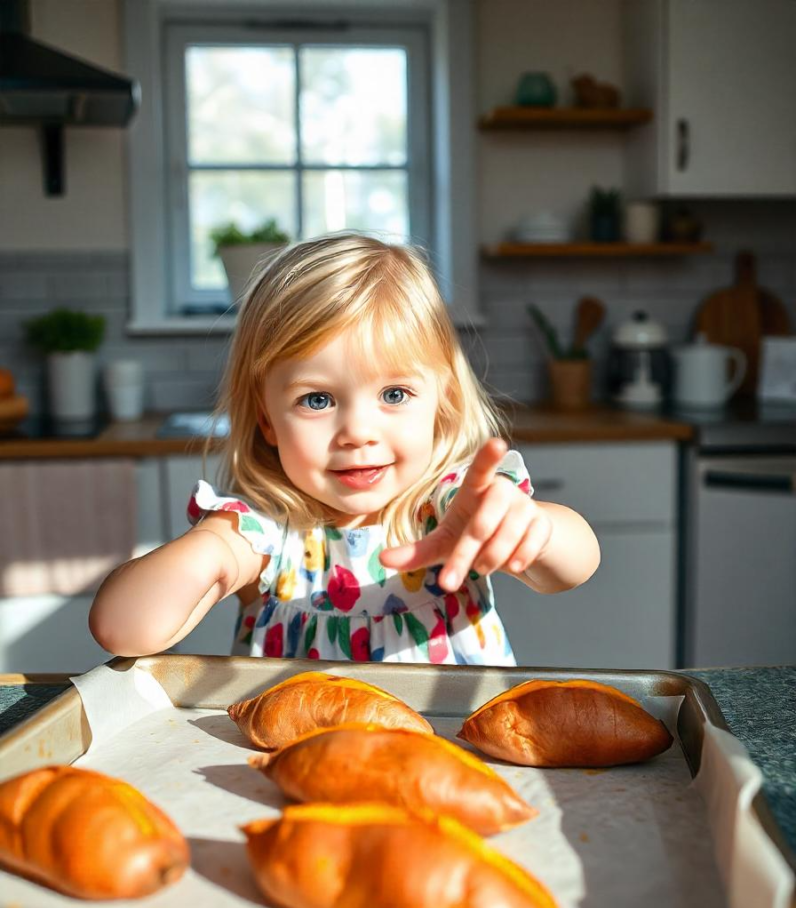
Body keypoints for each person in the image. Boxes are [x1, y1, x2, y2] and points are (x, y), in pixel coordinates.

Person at [90, 233, 600, 665]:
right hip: (296, 774)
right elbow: (120, 629)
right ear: (267, 419)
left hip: (453, 762)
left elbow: (573, 568)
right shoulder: (264, 531)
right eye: (317, 399)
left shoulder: (453, 504)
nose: (357, 432)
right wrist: (209, 548)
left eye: (394, 395)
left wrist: (528, 528)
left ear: (440, 400)